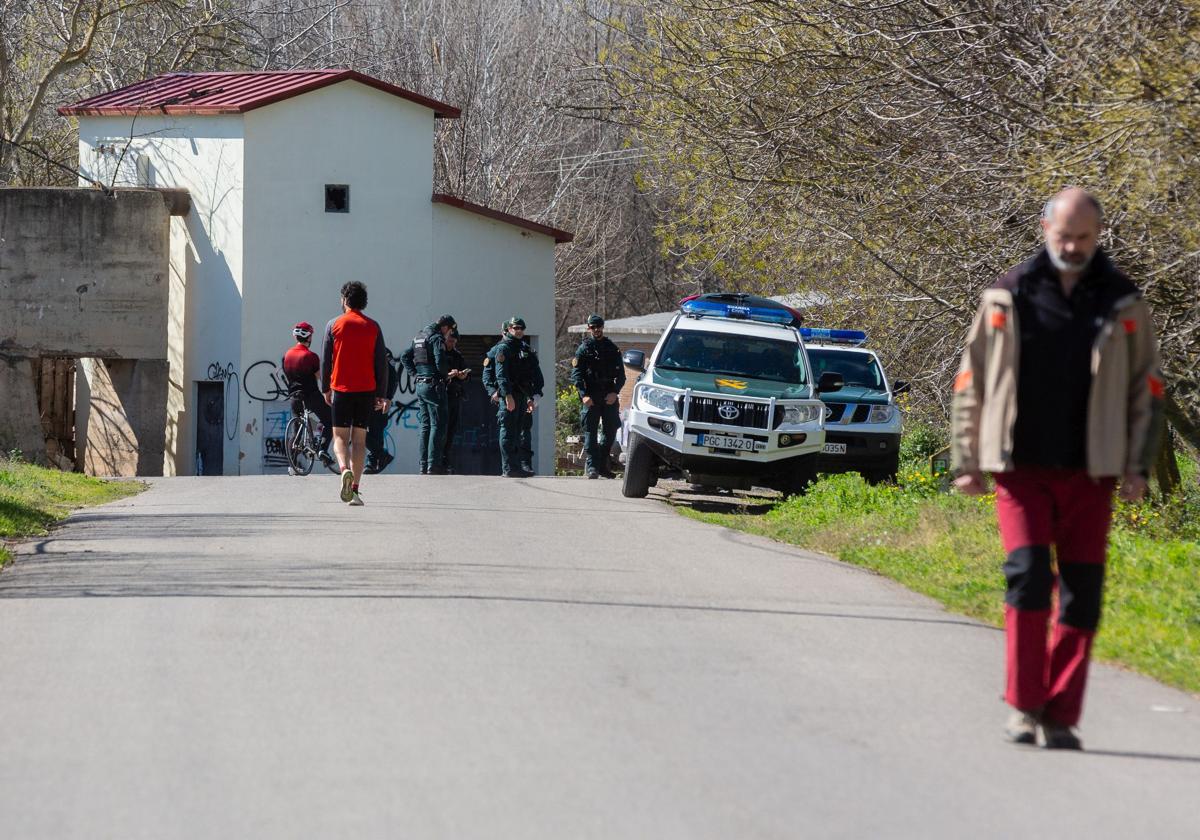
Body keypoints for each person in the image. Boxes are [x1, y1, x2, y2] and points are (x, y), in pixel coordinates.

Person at [952, 187, 1164, 750]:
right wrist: (965, 459)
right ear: (1045, 229)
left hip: (1090, 474)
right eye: (1064, 235)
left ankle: (1061, 714)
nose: (1072, 246)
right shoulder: (1007, 294)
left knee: (1082, 593)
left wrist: (1138, 465)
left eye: (1083, 237)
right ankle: (1024, 706)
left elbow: (1148, 388)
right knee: (1027, 578)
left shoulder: (1121, 300)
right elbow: (970, 381)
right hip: (1018, 469)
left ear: (1098, 237)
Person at [321, 281, 389, 506]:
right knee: (360, 441)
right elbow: (381, 362)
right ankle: (356, 492)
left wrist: (325, 389)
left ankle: (343, 470)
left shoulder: (333, 324)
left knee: (340, 438)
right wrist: (382, 393)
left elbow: (325, 359)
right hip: (367, 390)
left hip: (341, 388)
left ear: (345, 300)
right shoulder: (373, 326)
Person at [571, 313, 626, 479]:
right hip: (592, 396)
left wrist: (615, 392)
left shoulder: (612, 348)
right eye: (593, 327)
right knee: (591, 432)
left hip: (608, 394)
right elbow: (576, 375)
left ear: (603, 327)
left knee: (611, 430)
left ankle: (603, 465)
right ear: (589, 329)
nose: (596, 330)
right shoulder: (584, 349)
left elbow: (622, 376)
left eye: (598, 326)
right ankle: (593, 466)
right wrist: (584, 395)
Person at [400, 314, 456, 474]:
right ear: (445, 327)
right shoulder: (436, 338)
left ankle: (424, 464)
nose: (448, 334)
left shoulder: (420, 336)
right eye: (449, 331)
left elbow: (405, 356)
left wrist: (415, 374)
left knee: (425, 425)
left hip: (421, 385)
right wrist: (446, 374)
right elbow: (439, 361)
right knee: (438, 425)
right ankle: (434, 464)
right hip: (434, 386)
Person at [281, 322, 334, 469]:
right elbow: (320, 377)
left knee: (296, 430)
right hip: (311, 397)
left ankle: (292, 465)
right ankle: (323, 449)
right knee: (329, 420)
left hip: (294, 397)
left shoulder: (287, 355)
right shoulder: (311, 356)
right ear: (309, 337)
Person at [493, 316, 540, 477]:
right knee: (507, 431)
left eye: (521, 328)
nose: (518, 331)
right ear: (509, 329)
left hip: (522, 395)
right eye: (515, 328)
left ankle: (516, 466)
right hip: (511, 395)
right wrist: (507, 395)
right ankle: (508, 468)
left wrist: (532, 396)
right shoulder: (504, 348)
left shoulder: (525, 349)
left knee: (518, 431)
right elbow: (501, 375)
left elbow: (533, 374)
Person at [439, 330, 470, 473]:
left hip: (454, 395)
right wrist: (448, 375)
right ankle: (436, 460)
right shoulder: (439, 353)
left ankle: (446, 460)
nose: (452, 344)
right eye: (450, 341)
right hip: (440, 395)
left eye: (454, 342)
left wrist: (463, 376)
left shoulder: (457, 355)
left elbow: (466, 374)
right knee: (440, 428)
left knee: (451, 430)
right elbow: (436, 372)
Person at [365, 348, 399, 474]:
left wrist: (388, 398)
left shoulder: (384, 351)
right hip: (363, 398)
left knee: (376, 431)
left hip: (378, 399)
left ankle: (373, 462)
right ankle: (380, 455)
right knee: (358, 430)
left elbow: (393, 377)